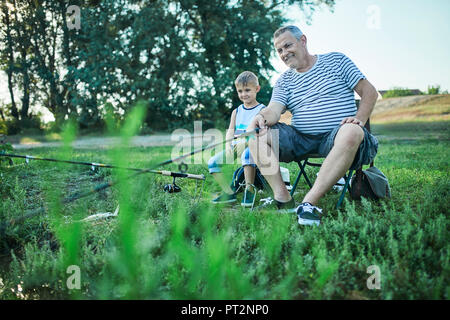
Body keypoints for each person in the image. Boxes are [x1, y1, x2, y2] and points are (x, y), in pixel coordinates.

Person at [247, 25, 379, 225]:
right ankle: (283, 200)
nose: (284, 53)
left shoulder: (336, 60)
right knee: (256, 135)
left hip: (338, 136)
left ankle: (308, 204)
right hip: (301, 139)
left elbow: (369, 91)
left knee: (352, 131)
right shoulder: (284, 81)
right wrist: (260, 117)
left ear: (303, 41)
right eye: (279, 50)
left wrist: (359, 118)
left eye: (287, 45)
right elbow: (274, 109)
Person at [208, 71, 266, 207]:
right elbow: (230, 131)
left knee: (247, 154)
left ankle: (249, 190)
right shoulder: (237, 111)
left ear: (257, 89)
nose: (243, 94)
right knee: (213, 163)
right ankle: (229, 193)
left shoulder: (262, 110)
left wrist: (245, 143)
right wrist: (229, 145)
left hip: (253, 147)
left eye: (247, 90)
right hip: (235, 146)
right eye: (240, 91)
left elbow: (260, 134)